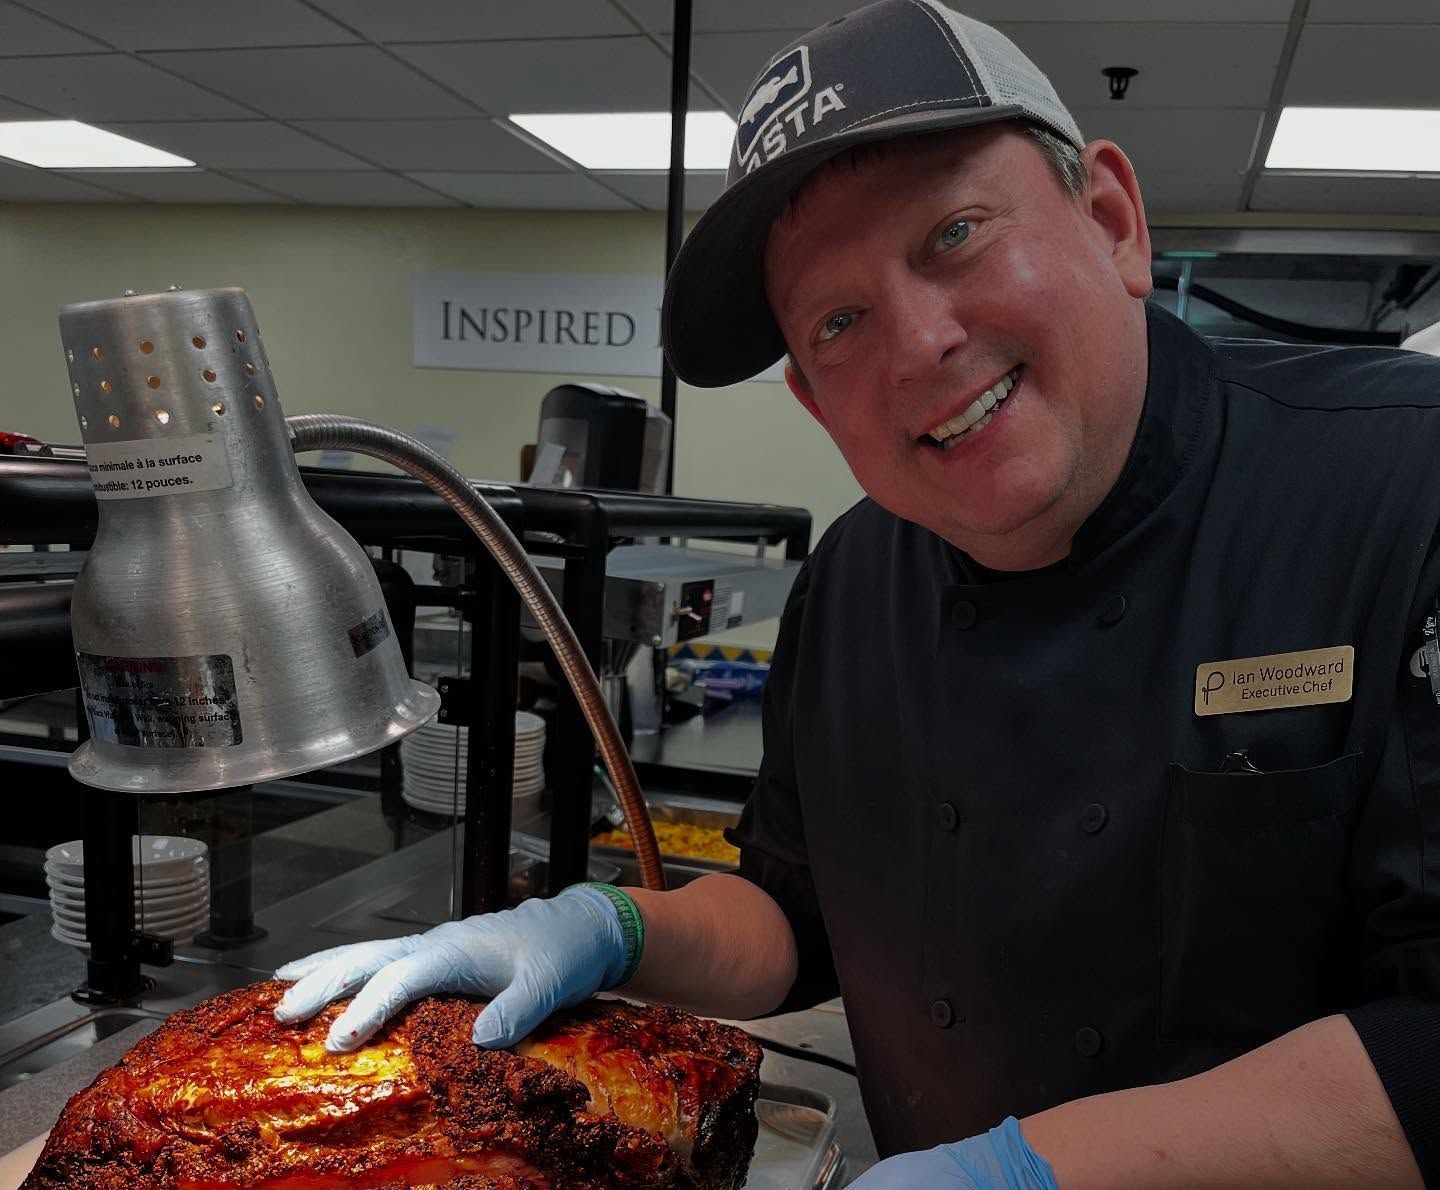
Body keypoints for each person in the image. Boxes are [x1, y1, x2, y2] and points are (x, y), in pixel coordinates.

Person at [275, 1, 1440, 1185]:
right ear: (816, 407)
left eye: (955, 234)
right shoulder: (853, 577)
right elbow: (795, 916)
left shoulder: (1404, 484)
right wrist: (605, 924)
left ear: (1113, 222)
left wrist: (1012, 1174)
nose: (918, 342)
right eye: (839, 321)